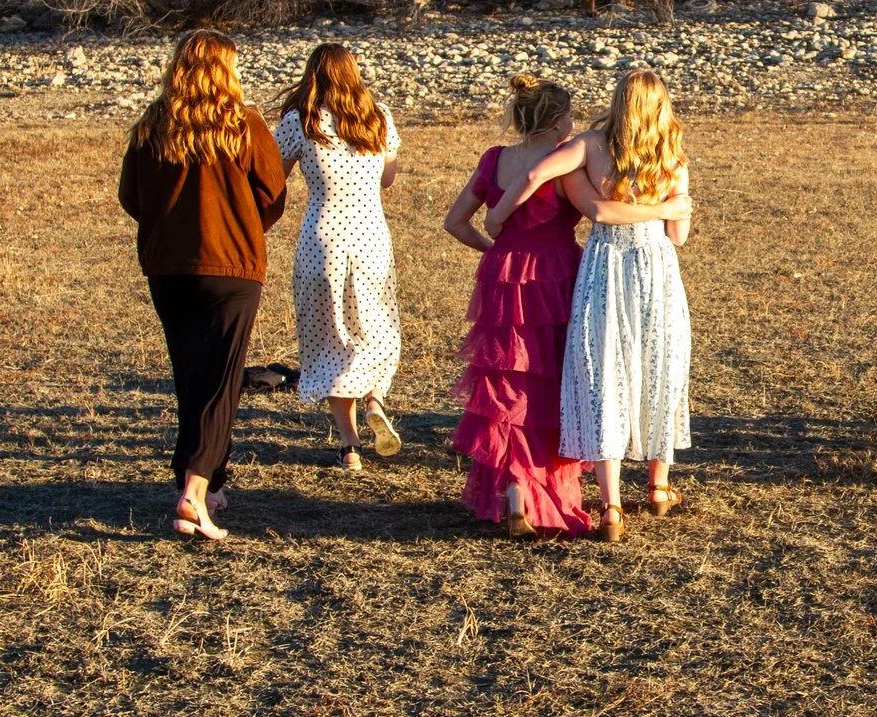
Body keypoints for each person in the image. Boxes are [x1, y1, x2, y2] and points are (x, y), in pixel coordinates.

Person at [444, 75, 694, 538]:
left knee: (552, 380)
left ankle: (563, 496)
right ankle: (649, 485)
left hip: (542, 272)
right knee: (620, 373)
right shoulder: (655, 161)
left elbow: (471, 214)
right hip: (604, 274)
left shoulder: (555, 152)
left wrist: (496, 230)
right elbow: (646, 225)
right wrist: (669, 208)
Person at [117, 30, 288, 541]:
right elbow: (272, 194)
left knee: (193, 377)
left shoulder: (151, 126)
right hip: (231, 266)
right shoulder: (244, 124)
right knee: (219, 384)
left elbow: (132, 196)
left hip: (168, 268)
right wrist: (239, 221)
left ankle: (208, 482)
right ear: (225, 70)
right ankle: (193, 492)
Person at [276, 42, 404, 471]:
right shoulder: (378, 117)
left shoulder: (301, 121)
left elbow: (272, 174)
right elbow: (388, 179)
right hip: (370, 237)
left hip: (321, 239)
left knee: (329, 337)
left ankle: (349, 446)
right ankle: (374, 398)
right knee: (376, 326)